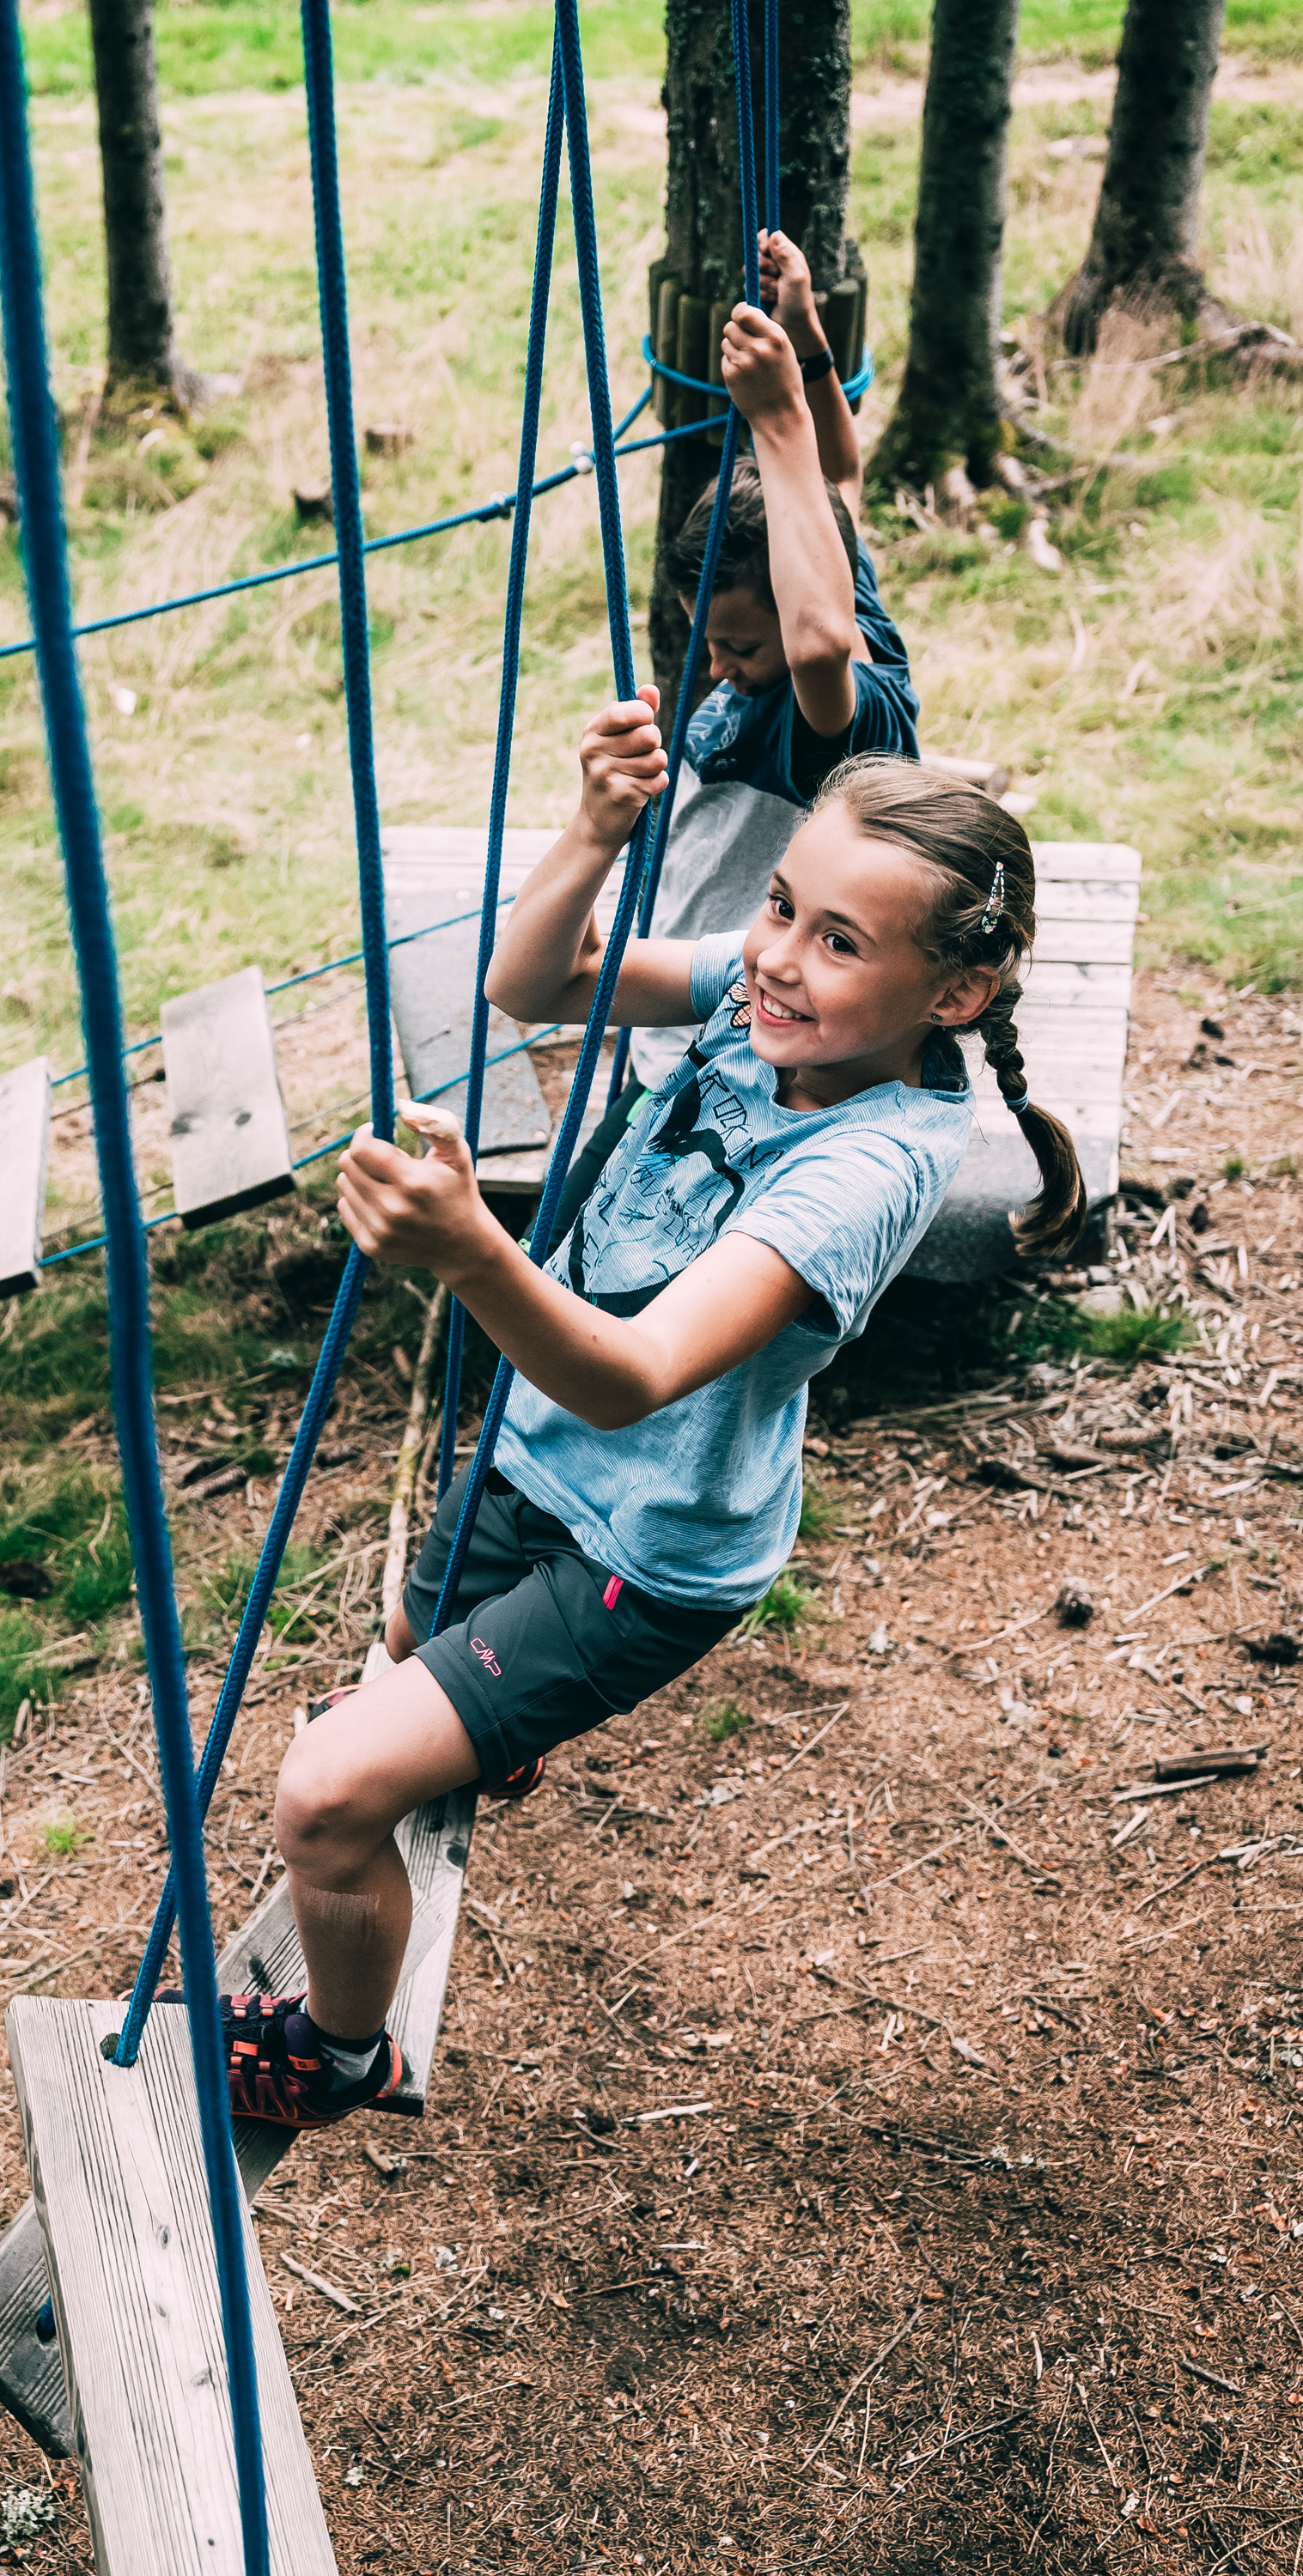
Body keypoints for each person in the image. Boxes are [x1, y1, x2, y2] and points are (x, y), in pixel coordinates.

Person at [210, 626, 1087, 2132]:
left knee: (326, 1793)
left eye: (839, 942)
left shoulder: (865, 1171)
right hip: (541, 1450)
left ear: (954, 993)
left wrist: (472, 1249)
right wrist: (592, 832)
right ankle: (484, 1728)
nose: (777, 956)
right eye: (779, 904)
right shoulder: (767, 1009)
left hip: (647, 1551)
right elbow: (532, 980)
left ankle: (343, 2055)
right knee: (410, 1638)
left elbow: (635, 1378)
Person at [551, 228, 919, 1240]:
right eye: (707, 642)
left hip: (730, 1050)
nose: (718, 668)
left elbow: (812, 643)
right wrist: (804, 339)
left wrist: (775, 410)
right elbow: (834, 482)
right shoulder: (843, 585)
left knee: (593, 1262)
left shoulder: (833, 718)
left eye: (739, 647)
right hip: (680, 1012)